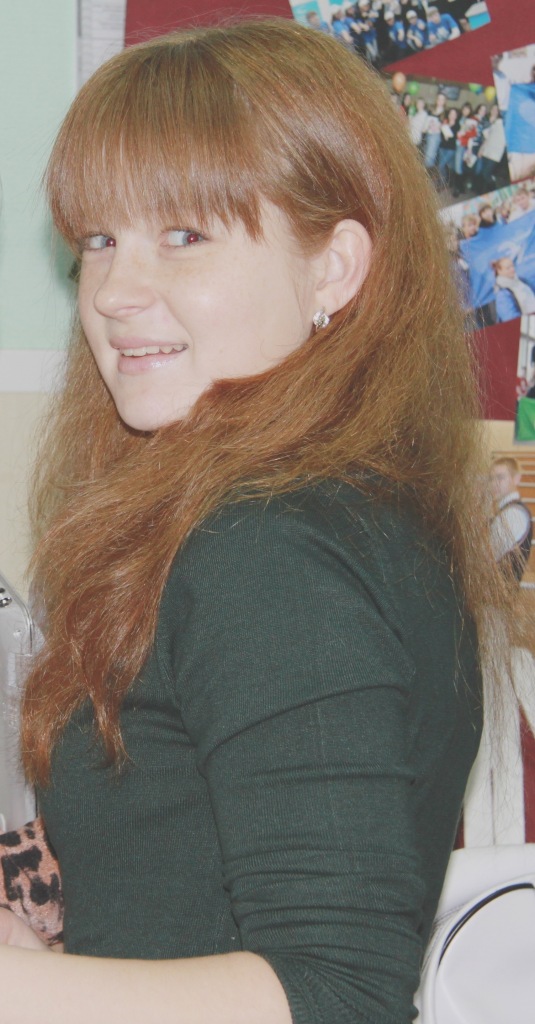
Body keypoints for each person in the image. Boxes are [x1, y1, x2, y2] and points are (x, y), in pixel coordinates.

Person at [0, 18, 505, 1024]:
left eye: (184, 236)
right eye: (100, 239)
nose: (115, 293)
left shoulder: (266, 546)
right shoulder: (338, 505)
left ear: (333, 269)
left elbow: (337, 991)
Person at [489, 457, 533, 582]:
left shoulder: (514, 513)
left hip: (499, 589)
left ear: (516, 479)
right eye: (491, 479)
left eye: (500, 477)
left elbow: (489, 556)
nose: (494, 483)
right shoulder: (506, 511)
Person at [491, 256, 535, 320]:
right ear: (499, 271)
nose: (512, 269)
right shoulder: (502, 293)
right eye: (508, 268)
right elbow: (510, 318)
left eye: (512, 266)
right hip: (526, 324)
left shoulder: (523, 281)